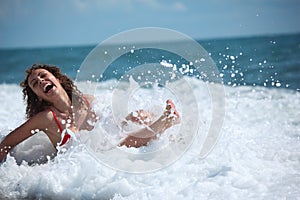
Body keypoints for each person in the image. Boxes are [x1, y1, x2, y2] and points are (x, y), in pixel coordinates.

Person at [0, 64, 180, 163]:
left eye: (43, 75)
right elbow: (6, 144)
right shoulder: (46, 118)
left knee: (131, 122)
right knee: (117, 146)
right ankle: (165, 122)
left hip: (103, 152)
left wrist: (132, 117)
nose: (40, 80)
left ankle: (166, 127)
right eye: (34, 83)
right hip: (78, 164)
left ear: (58, 79)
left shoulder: (87, 101)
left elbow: (111, 125)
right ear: (38, 97)